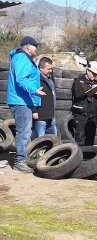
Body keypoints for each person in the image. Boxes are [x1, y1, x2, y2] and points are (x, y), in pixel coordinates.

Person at [7, 36, 46, 173]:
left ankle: (21, 159)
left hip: (24, 100)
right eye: (35, 46)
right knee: (23, 132)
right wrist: (34, 90)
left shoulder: (22, 58)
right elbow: (21, 80)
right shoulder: (21, 58)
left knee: (25, 131)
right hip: (20, 101)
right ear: (28, 46)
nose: (36, 48)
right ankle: (20, 161)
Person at [71, 61, 97, 146]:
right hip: (81, 114)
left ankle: (89, 157)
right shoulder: (78, 81)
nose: (94, 76)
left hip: (93, 115)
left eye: (96, 74)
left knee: (90, 138)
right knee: (80, 138)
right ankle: (80, 157)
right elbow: (77, 95)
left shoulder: (96, 83)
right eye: (93, 73)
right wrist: (90, 91)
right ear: (88, 71)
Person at [31, 57, 57, 139]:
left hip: (51, 116)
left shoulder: (50, 78)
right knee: (40, 141)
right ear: (41, 68)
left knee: (54, 140)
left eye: (51, 69)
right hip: (41, 116)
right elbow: (31, 95)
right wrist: (34, 111)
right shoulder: (35, 79)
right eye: (48, 69)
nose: (51, 71)